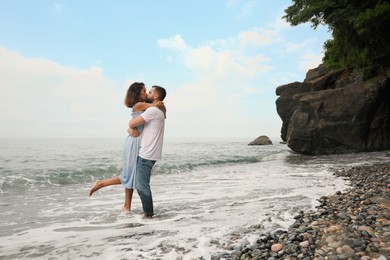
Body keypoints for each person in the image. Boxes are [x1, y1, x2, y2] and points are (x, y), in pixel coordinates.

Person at [89, 82, 165, 214]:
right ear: (137, 94)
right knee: (129, 174)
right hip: (134, 142)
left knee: (131, 174)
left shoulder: (146, 106)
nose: (146, 94)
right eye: (144, 91)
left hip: (139, 141)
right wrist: (159, 105)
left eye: (148, 92)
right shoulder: (139, 105)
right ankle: (102, 185)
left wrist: (162, 107)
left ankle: (126, 206)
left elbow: (158, 113)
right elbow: (154, 106)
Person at [128, 85, 166, 218]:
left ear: (155, 96)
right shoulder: (159, 111)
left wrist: (130, 128)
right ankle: (148, 213)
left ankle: (149, 215)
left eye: (150, 92)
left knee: (142, 187)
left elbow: (132, 123)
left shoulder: (152, 111)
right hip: (152, 153)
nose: (148, 94)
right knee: (142, 185)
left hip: (146, 154)